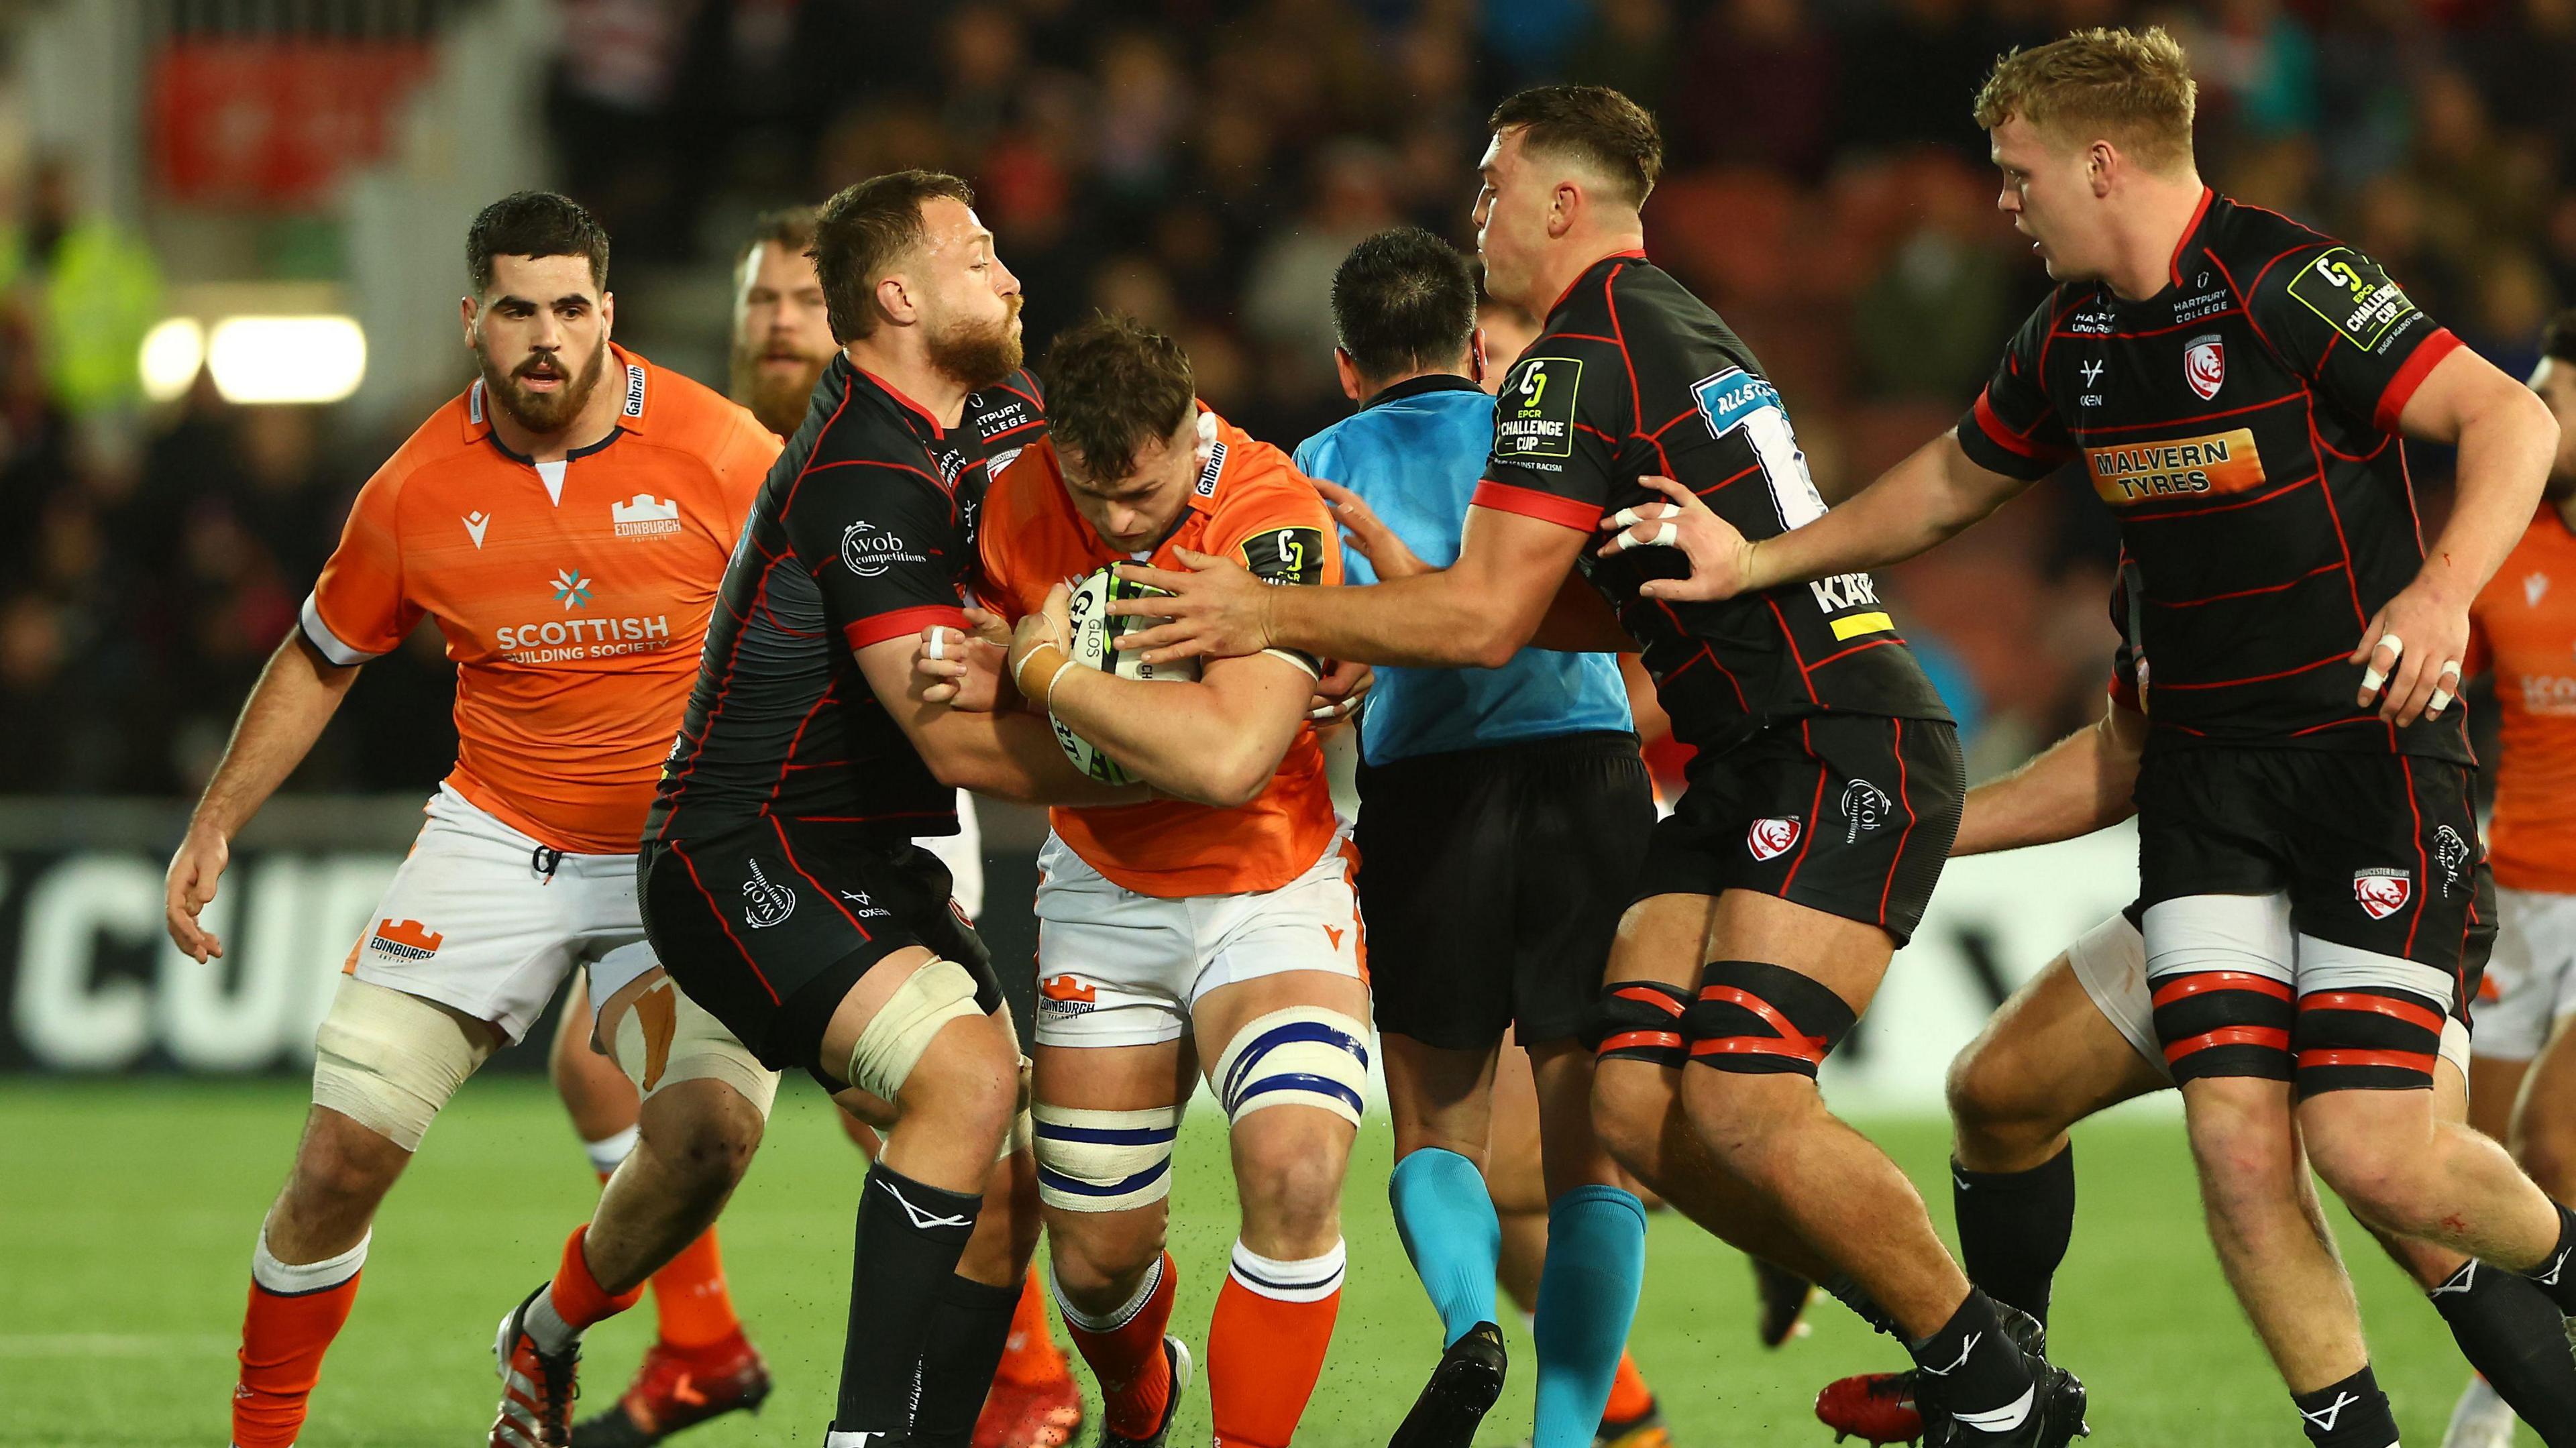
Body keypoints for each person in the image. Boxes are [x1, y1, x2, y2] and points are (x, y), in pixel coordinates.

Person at [1602, 28, 2569, 1448]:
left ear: (2099, 160)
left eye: (2018, 171)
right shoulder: (2070, 342)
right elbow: (1946, 480)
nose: (2004, 201)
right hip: (2208, 797)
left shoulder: (2286, 279)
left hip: (2368, 768)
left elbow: (2506, 420)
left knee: (2372, 1151)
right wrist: (1758, 564)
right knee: (2236, 1151)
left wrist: (2439, 594)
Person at [1110, 85, 2086, 1446]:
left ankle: (1988, 1381)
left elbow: (1489, 620)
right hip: (1744, 757)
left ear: (1561, 204)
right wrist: (1408, 605)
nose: (1477, 217)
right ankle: (1903, 1347)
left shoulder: (1578, 357)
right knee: (1627, 1107)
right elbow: (1574, 608)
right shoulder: (1675, 323)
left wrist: (1274, 612)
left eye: (1491, 190)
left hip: (1827, 739)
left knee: (1732, 1098)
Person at [482, 170, 1128, 1448]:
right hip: (736, 849)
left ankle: (544, 1337)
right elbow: (953, 733)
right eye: (977, 250)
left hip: (865, 851)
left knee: (959, 1161)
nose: (1009, 269)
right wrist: (1162, 746)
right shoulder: (858, 476)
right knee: (957, 1081)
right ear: (900, 295)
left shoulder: (1001, 412)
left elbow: (1125, 514)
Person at [162, 192, 783, 1448]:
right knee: (339, 1161)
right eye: (516, 311)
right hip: (496, 839)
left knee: (710, 1139)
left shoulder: (727, 456)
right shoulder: (413, 489)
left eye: (568, 309)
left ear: (609, 315)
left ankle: (542, 1336)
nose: (544, 337)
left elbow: (826, 627)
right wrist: (214, 822)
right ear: (472, 322)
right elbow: (321, 652)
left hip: (678, 852)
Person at [1812, 582, 2576, 1448]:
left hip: (2372, 867)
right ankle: (2008, 1390)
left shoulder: (2308, 516)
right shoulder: (2151, 558)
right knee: (2002, 1089)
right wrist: (1925, 830)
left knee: (2409, 1198)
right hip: (2223, 878)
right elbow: (2125, 755)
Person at [944, 313, 1368, 1448]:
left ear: (1193, 429)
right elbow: (959, 725)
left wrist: (1040, 669)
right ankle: (1140, 1395)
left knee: (1290, 1170)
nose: (1121, 524)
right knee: (1093, 1264)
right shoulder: (1007, 501)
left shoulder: (1270, 513)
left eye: (1144, 493)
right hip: (1103, 895)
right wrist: (1007, 678)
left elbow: (1231, 763)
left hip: (1272, 885)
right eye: (1095, 499)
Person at [1288, 224, 1666, 1448]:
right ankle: (1566, 1439)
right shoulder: (1543, 432)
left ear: (1347, 366)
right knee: (1588, 1155)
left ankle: (1467, 1327)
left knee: (1439, 1130)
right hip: (1589, 781)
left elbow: (1328, 658)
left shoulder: (1313, 467)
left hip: (1429, 797)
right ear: (1474, 341)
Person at [2445, 310, 2576, 1448]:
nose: (2539, 414)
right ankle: (2508, 1386)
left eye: (2557, 398)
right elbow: (2442, 689)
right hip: (2521, 893)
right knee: (2480, 1178)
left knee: (2555, 1142)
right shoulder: (2508, 544)